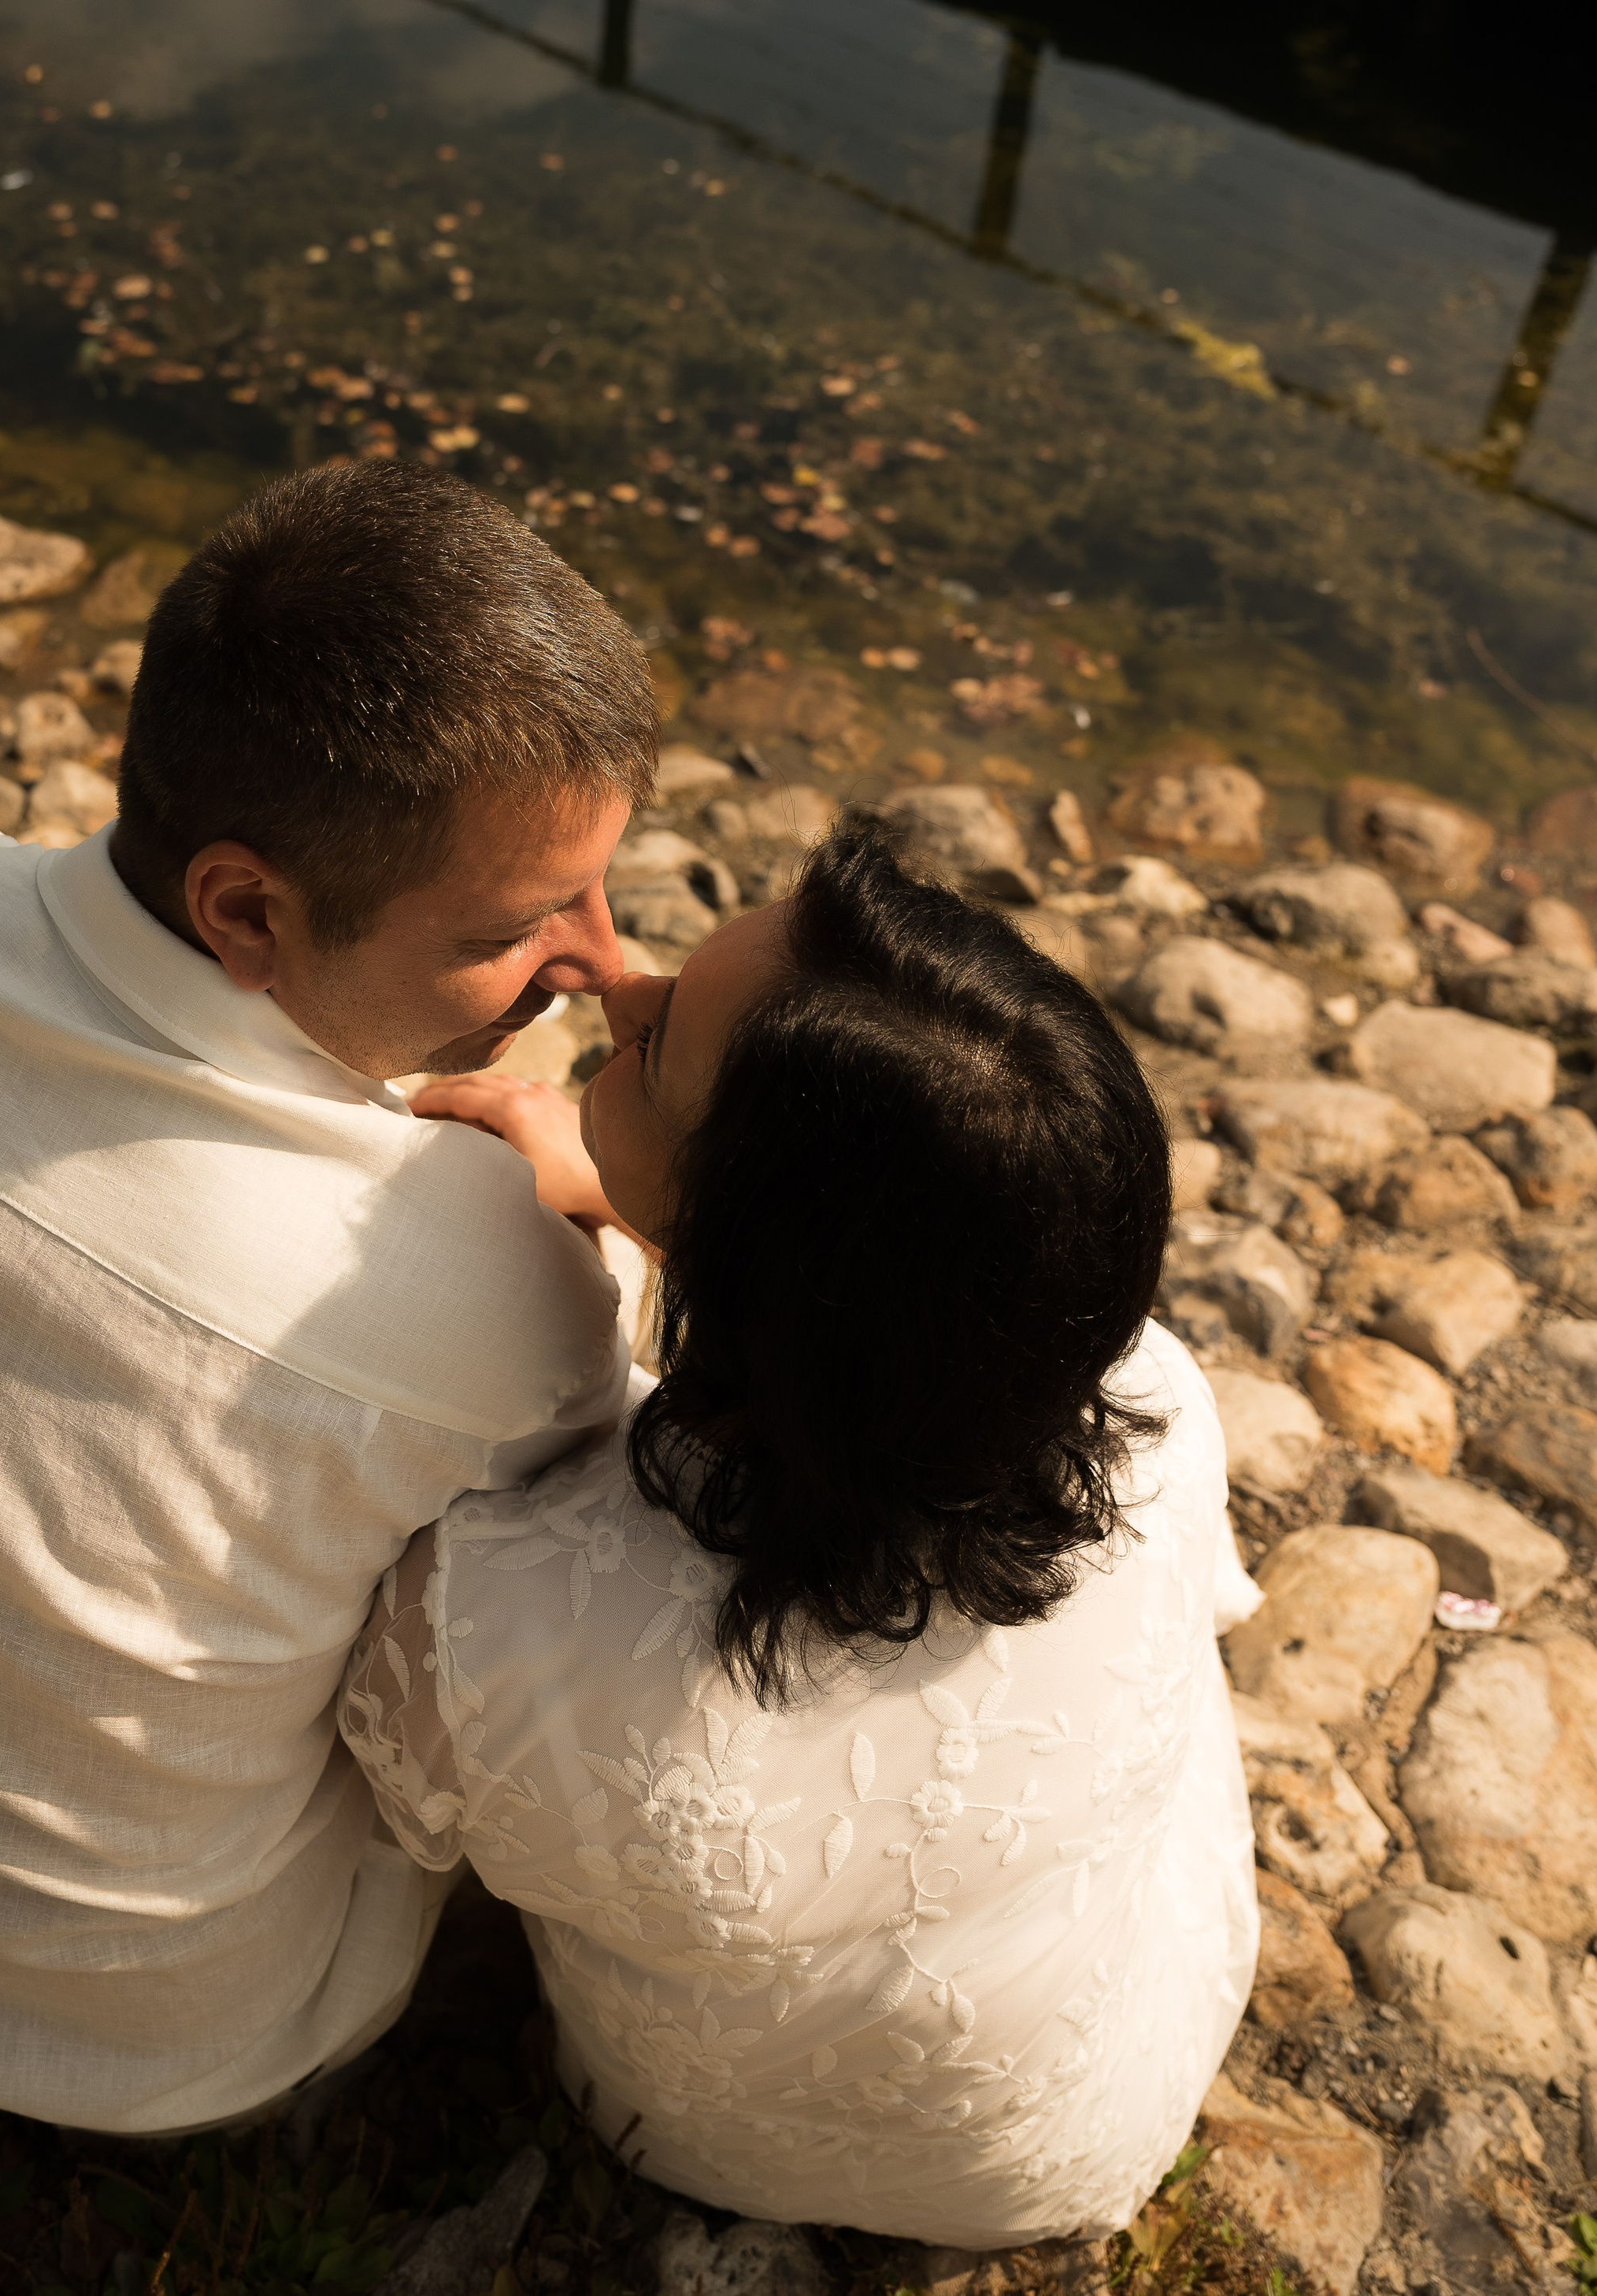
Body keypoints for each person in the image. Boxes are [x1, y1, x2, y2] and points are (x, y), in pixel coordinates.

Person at [0, 464, 659, 2135]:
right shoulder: (465, 1275)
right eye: (529, 923)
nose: (603, 968)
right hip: (163, 2055)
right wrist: (603, 1231)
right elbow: (602, 1564)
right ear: (244, 907)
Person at [341, 819, 1259, 2246]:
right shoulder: (1155, 1399)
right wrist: (660, 1215)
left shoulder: (502, 1633)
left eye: (656, 1056)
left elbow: (395, 1822)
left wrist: (581, 1258)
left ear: (763, 1269)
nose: (617, 990)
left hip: (706, 2144)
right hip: (1090, 2108)